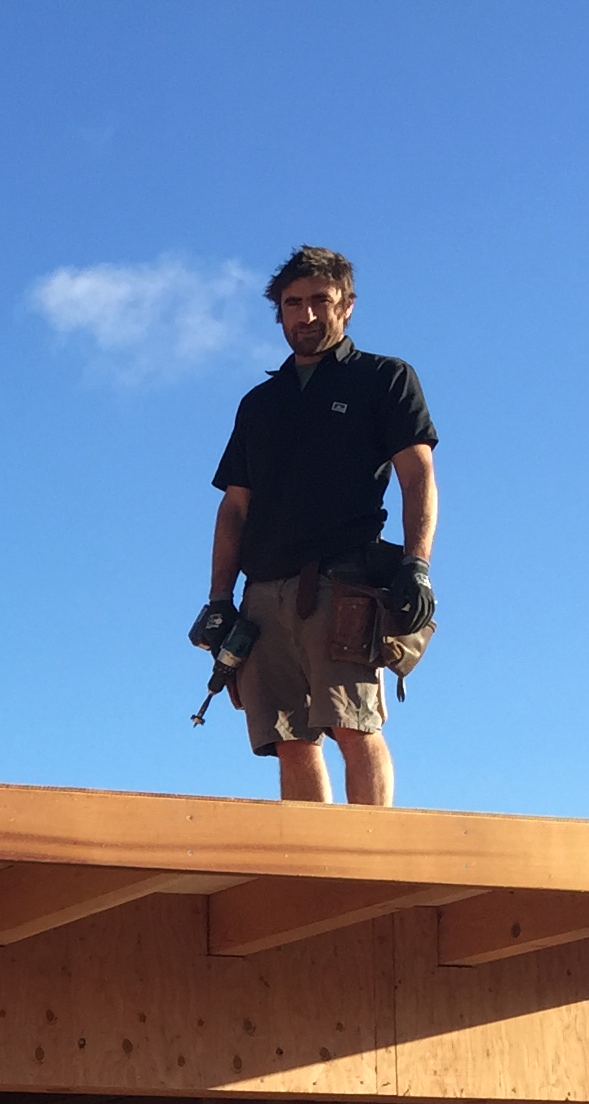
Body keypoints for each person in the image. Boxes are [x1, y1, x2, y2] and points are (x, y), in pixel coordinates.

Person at [191, 245, 438, 807]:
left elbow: (418, 475)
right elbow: (234, 508)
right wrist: (217, 599)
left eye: (319, 301)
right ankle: (313, 869)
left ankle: (371, 858)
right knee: (288, 740)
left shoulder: (384, 379)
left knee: (353, 724)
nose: (305, 315)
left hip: (341, 581)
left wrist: (417, 566)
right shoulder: (260, 403)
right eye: (292, 303)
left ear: (347, 306)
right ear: (278, 311)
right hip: (261, 594)